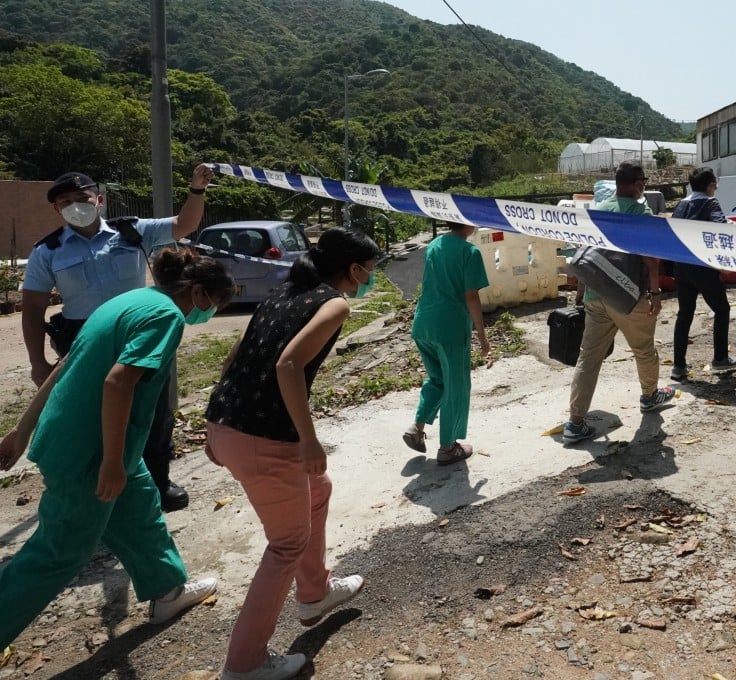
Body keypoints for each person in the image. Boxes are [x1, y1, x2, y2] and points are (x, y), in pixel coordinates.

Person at [0, 247, 234, 650]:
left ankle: (167, 590)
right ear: (198, 292)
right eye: (214, 302)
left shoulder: (129, 300)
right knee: (58, 553)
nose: (209, 312)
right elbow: (118, 382)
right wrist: (110, 462)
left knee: (139, 506)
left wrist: (22, 431)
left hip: (89, 439)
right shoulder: (166, 316)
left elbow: (67, 363)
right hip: (90, 451)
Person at [204, 228, 381, 680]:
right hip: (265, 437)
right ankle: (244, 663)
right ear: (353, 269)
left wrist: (212, 420)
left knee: (316, 488)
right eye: (369, 270)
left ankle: (315, 592)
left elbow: (239, 353)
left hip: (229, 425)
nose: (369, 278)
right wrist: (309, 439)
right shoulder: (333, 303)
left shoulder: (284, 290)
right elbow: (288, 364)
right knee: (285, 544)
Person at [21, 164, 215, 511]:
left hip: (142, 332)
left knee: (154, 410)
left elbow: (183, 225)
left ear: (98, 199)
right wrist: (38, 362)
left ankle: (156, 482)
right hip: (84, 340)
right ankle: (98, 488)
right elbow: (32, 309)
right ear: (55, 209)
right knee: (91, 416)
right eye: (65, 201)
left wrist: (196, 190)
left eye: (81, 198)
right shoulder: (47, 251)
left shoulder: (132, 232)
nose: (74, 205)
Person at [562, 161, 676, 444]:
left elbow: (585, 254)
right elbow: (651, 258)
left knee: (588, 358)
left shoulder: (598, 211)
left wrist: (580, 294)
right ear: (637, 184)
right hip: (630, 296)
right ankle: (650, 396)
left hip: (595, 296)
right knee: (643, 350)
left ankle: (575, 423)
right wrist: (655, 292)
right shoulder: (641, 212)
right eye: (644, 183)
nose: (644, 188)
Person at [402, 221, 491, 464]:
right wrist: (482, 336)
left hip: (424, 323)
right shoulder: (469, 251)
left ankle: (416, 428)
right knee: (456, 387)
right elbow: (471, 295)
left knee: (437, 380)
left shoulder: (434, 245)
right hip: (449, 328)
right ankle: (448, 447)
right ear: (467, 223)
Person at [670, 167, 736, 382]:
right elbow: (720, 226)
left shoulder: (681, 205)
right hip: (702, 266)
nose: (716, 188)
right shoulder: (710, 203)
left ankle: (678, 366)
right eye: (715, 184)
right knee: (722, 309)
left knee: (685, 314)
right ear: (710, 185)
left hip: (682, 266)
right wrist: (733, 225)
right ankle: (720, 358)